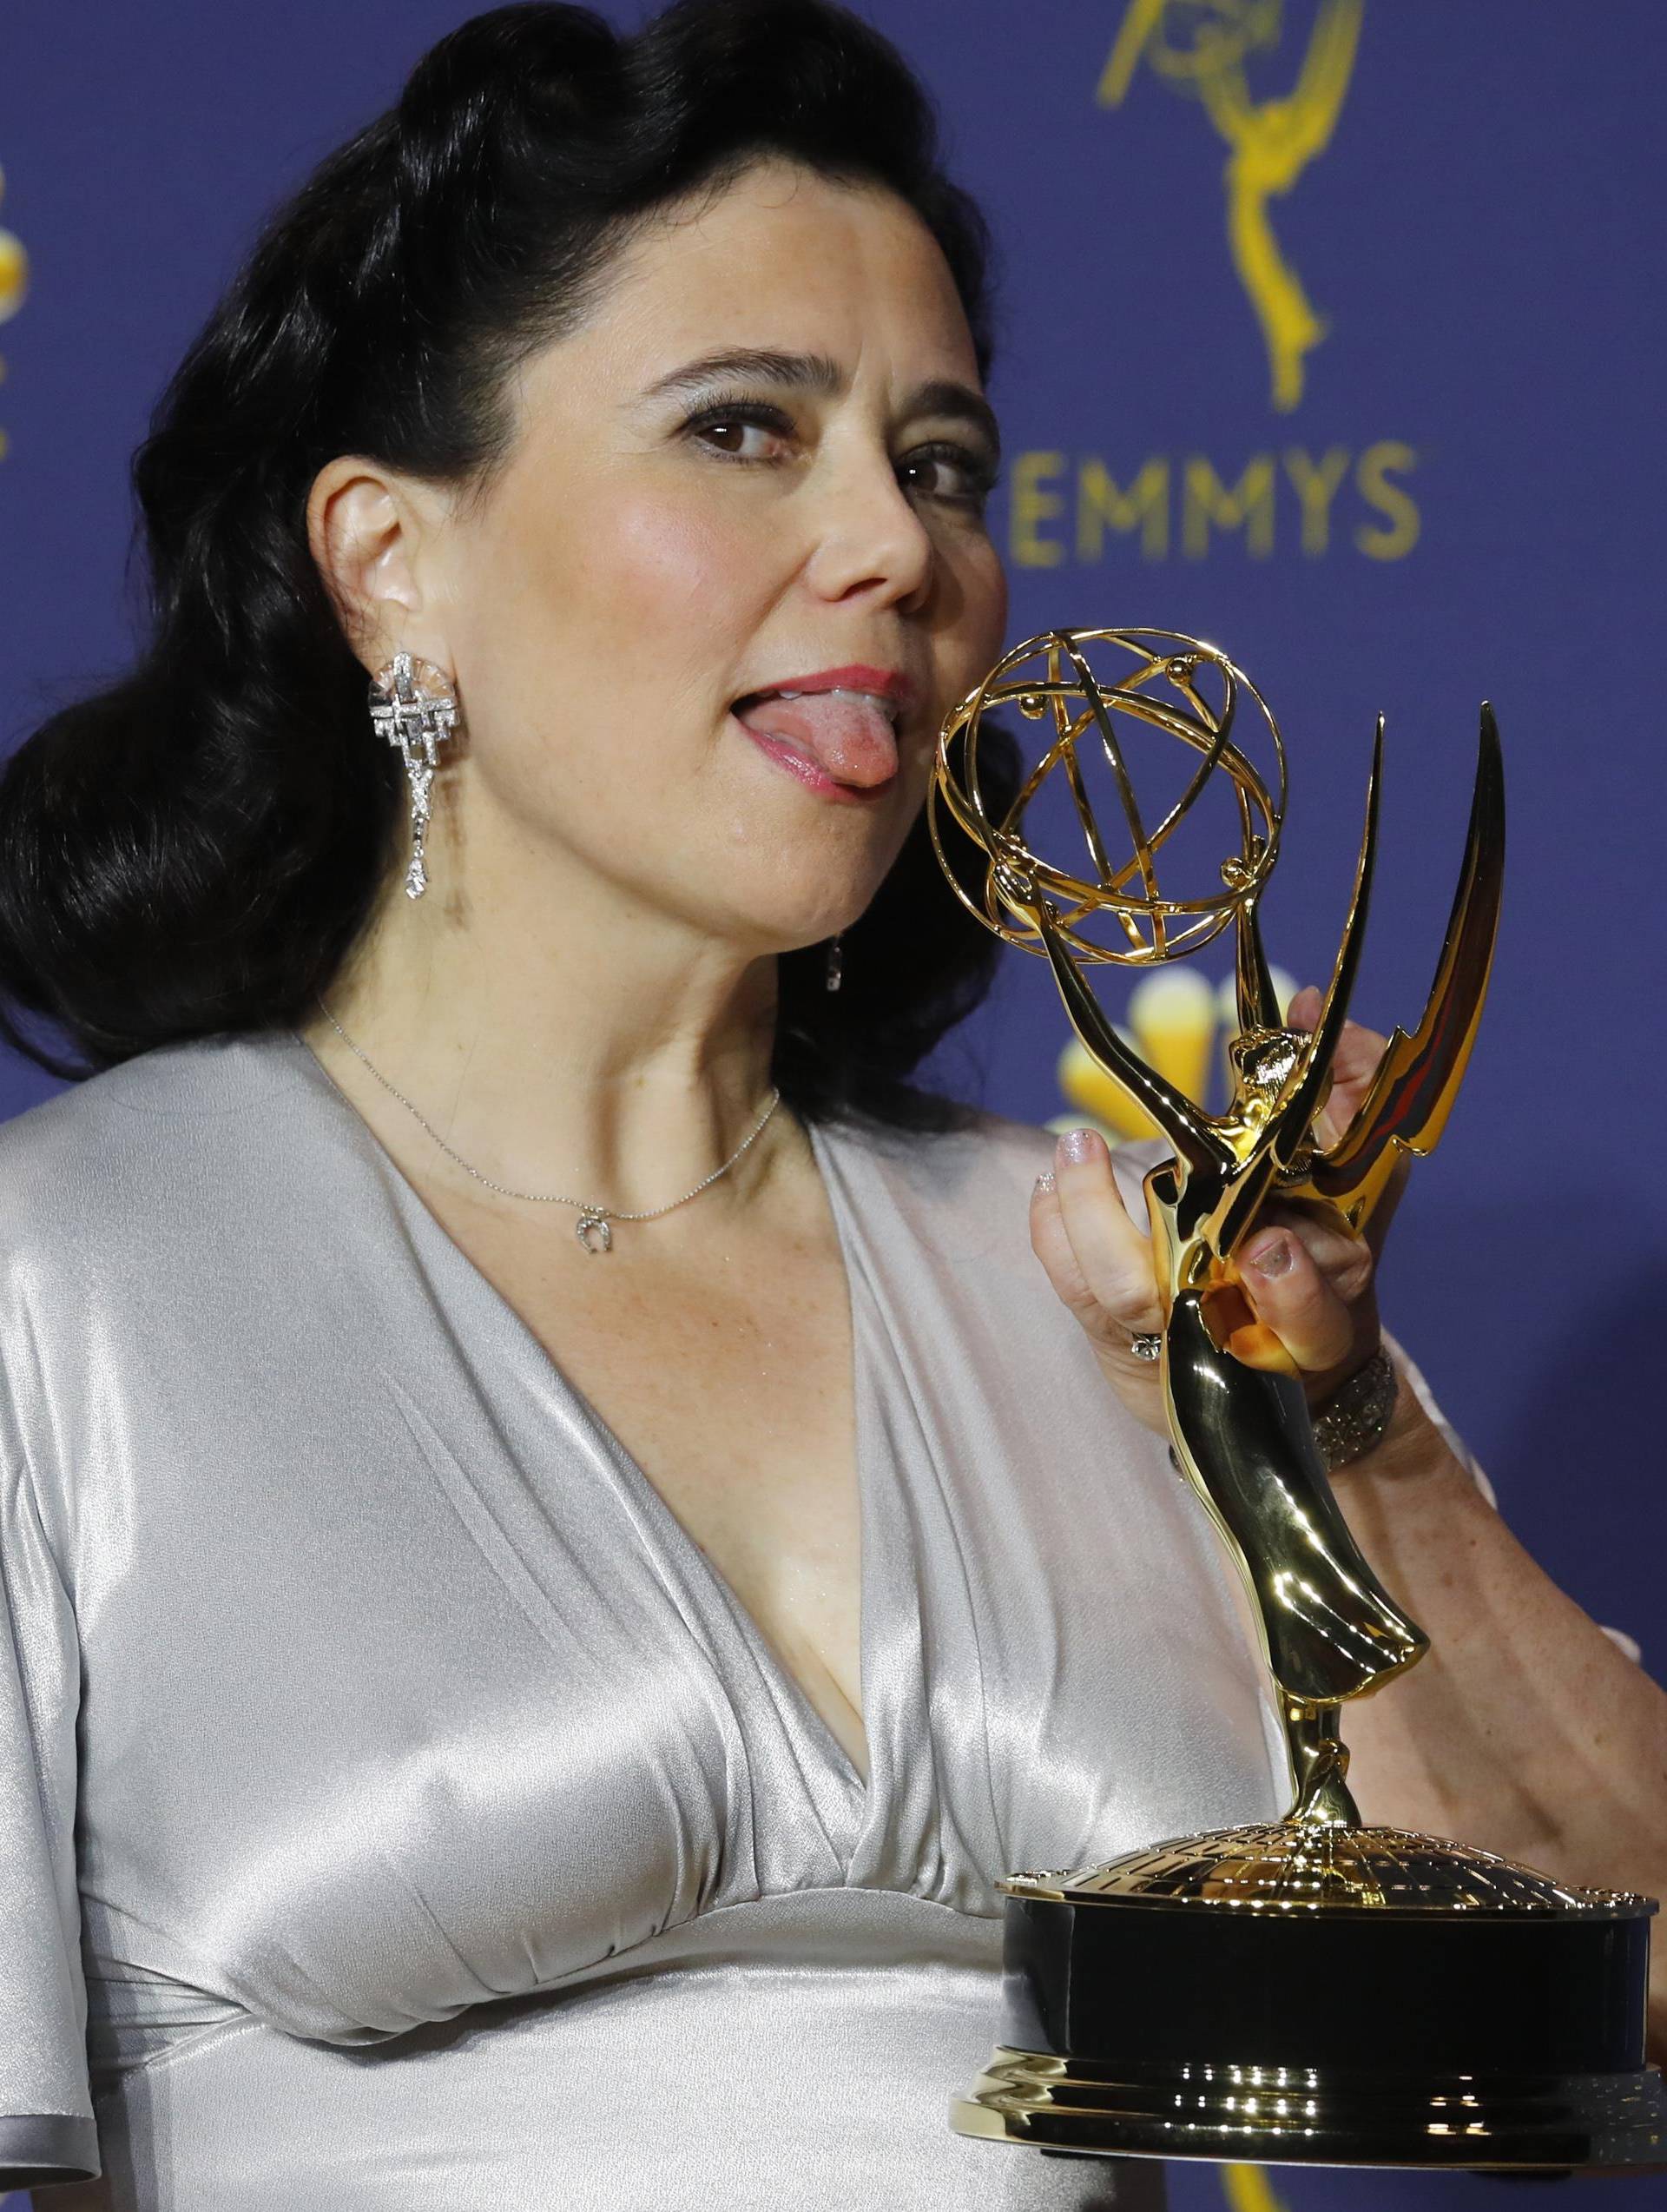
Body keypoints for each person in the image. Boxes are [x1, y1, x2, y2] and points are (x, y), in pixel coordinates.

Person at [0, 4, 1662, 2207]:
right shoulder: (68, 1286)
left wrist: (1331, 1415)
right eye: (744, 429)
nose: (896, 544)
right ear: (394, 559)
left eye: (944, 460)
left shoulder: (1084, 1270)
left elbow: (1623, 1976)